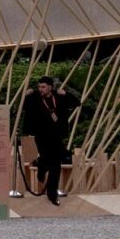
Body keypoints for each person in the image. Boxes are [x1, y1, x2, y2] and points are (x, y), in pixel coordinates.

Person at [22, 77, 81, 206]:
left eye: (43, 87)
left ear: (50, 87)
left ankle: (52, 194)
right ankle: (41, 165)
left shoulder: (58, 97)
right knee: (47, 158)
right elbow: (22, 107)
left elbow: (77, 103)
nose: (40, 89)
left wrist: (66, 93)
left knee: (56, 165)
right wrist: (25, 95)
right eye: (39, 87)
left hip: (56, 136)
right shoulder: (35, 98)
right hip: (41, 135)